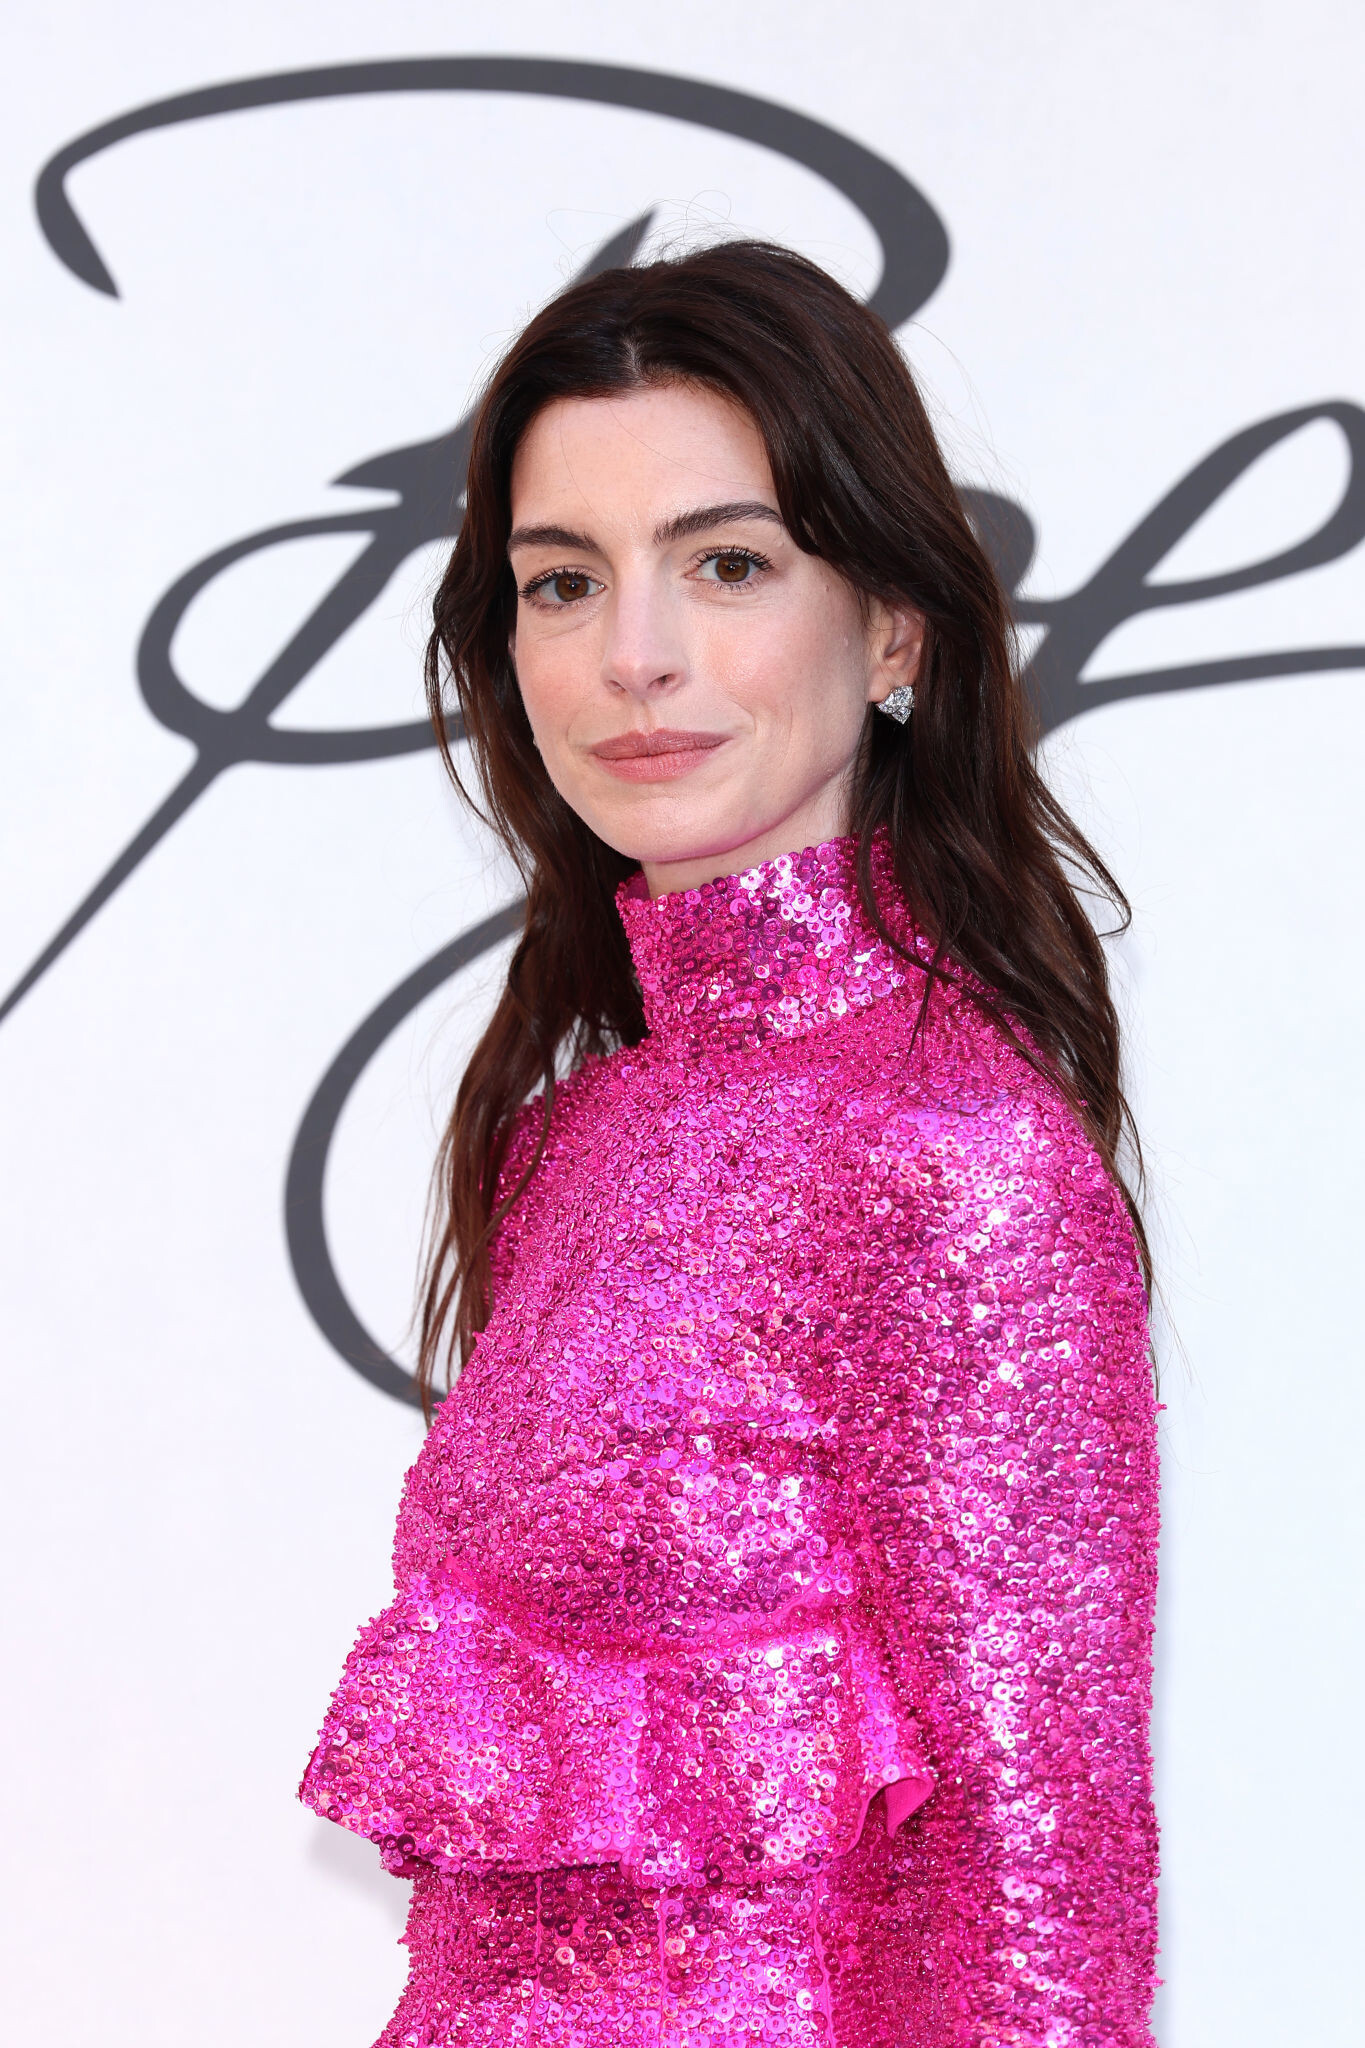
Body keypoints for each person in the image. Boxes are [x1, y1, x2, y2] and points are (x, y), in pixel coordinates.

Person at [300, 240, 1159, 2047]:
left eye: (727, 564)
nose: (634, 656)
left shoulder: (950, 1156)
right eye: (562, 581)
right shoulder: (564, 1138)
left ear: (895, 630)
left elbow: (1038, 1897)